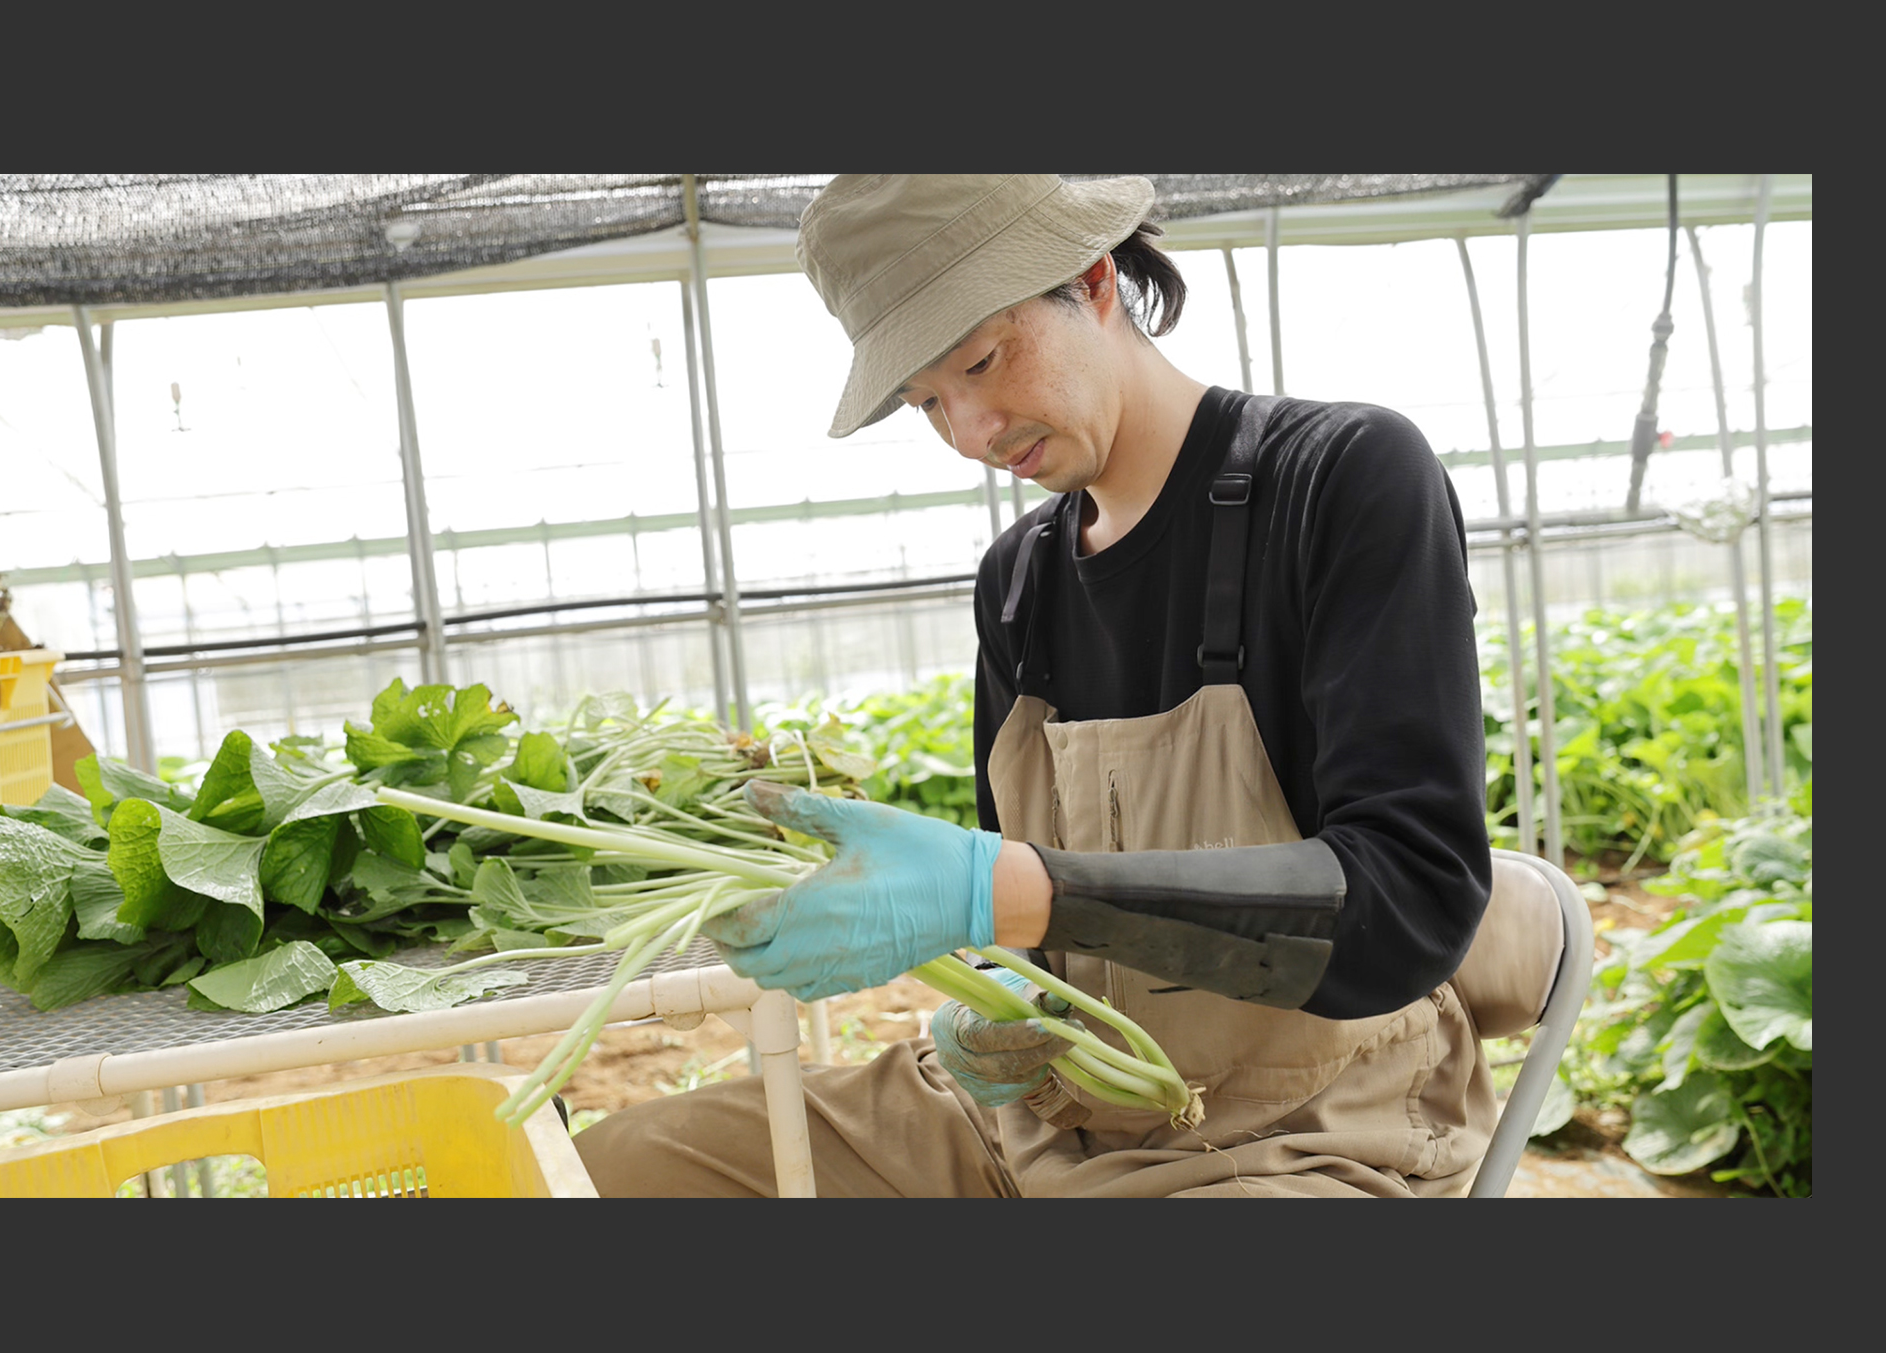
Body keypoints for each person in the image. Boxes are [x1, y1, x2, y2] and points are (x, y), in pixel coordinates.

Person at [572, 173, 1503, 1197]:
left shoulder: (1339, 478)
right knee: (616, 1171)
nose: (970, 431)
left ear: (1093, 277)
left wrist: (997, 888)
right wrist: (994, 998)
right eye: (927, 400)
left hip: (1293, 1129)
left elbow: (1405, 905)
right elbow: (1032, 940)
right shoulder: (1016, 582)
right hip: (1039, 1118)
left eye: (980, 359)